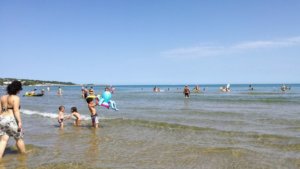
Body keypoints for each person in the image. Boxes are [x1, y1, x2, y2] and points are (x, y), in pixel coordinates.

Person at [0, 81, 26, 158]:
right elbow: (16, 111)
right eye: (19, 89)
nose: (20, 91)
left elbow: (1, 110)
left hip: (2, 119)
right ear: (17, 89)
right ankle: (24, 155)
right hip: (11, 120)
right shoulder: (16, 98)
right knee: (19, 138)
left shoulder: (2, 97)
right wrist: (20, 122)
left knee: (3, 140)